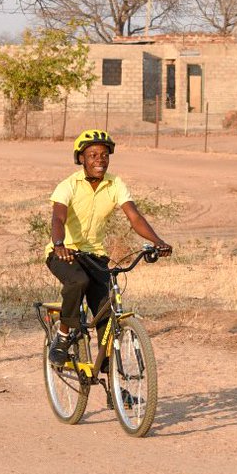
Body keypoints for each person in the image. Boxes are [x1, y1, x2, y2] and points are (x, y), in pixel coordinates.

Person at [46, 129, 172, 364]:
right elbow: (58, 219)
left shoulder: (115, 184)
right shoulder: (68, 185)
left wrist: (157, 242)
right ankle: (63, 335)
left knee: (106, 310)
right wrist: (59, 244)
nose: (100, 160)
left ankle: (109, 374)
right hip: (65, 254)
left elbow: (134, 217)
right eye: (93, 155)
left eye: (104, 155)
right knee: (78, 281)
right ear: (81, 158)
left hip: (95, 255)